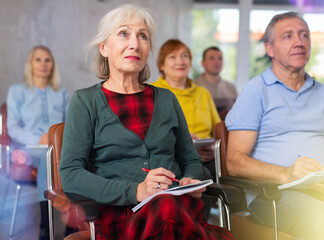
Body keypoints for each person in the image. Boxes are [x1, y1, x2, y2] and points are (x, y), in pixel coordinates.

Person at [59, 5, 234, 240]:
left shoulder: (166, 99)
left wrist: (191, 179)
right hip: (122, 215)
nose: (135, 43)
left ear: (148, 49)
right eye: (123, 33)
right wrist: (137, 190)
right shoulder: (85, 101)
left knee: (169, 208)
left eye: (143, 36)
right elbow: (70, 174)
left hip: (177, 209)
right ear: (103, 48)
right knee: (168, 211)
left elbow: (190, 159)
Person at [225, 11, 324, 240]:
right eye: (287, 36)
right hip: (273, 195)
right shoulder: (255, 91)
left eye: (304, 35)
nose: (299, 42)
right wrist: (286, 174)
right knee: (321, 217)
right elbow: (234, 161)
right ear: (270, 49)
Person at [7, 45, 68, 240]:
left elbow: (69, 125)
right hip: (29, 150)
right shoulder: (17, 92)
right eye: (38, 59)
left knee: (72, 156)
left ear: (52, 65)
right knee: (47, 158)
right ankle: (45, 225)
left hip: (58, 149)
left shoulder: (61, 93)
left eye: (47, 60)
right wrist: (39, 139)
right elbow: (13, 127)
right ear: (30, 64)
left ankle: (77, 222)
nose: (43, 64)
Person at [151, 39, 221, 179]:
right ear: (161, 65)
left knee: (230, 173)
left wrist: (214, 148)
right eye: (172, 57)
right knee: (203, 175)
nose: (181, 61)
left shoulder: (203, 93)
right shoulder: (153, 92)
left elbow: (219, 130)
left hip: (208, 158)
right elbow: (150, 136)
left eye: (185, 56)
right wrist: (184, 142)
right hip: (174, 159)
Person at [194, 46, 238, 119]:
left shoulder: (231, 88)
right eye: (211, 58)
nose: (217, 62)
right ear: (203, 63)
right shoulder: (194, 86)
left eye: (220, 58)